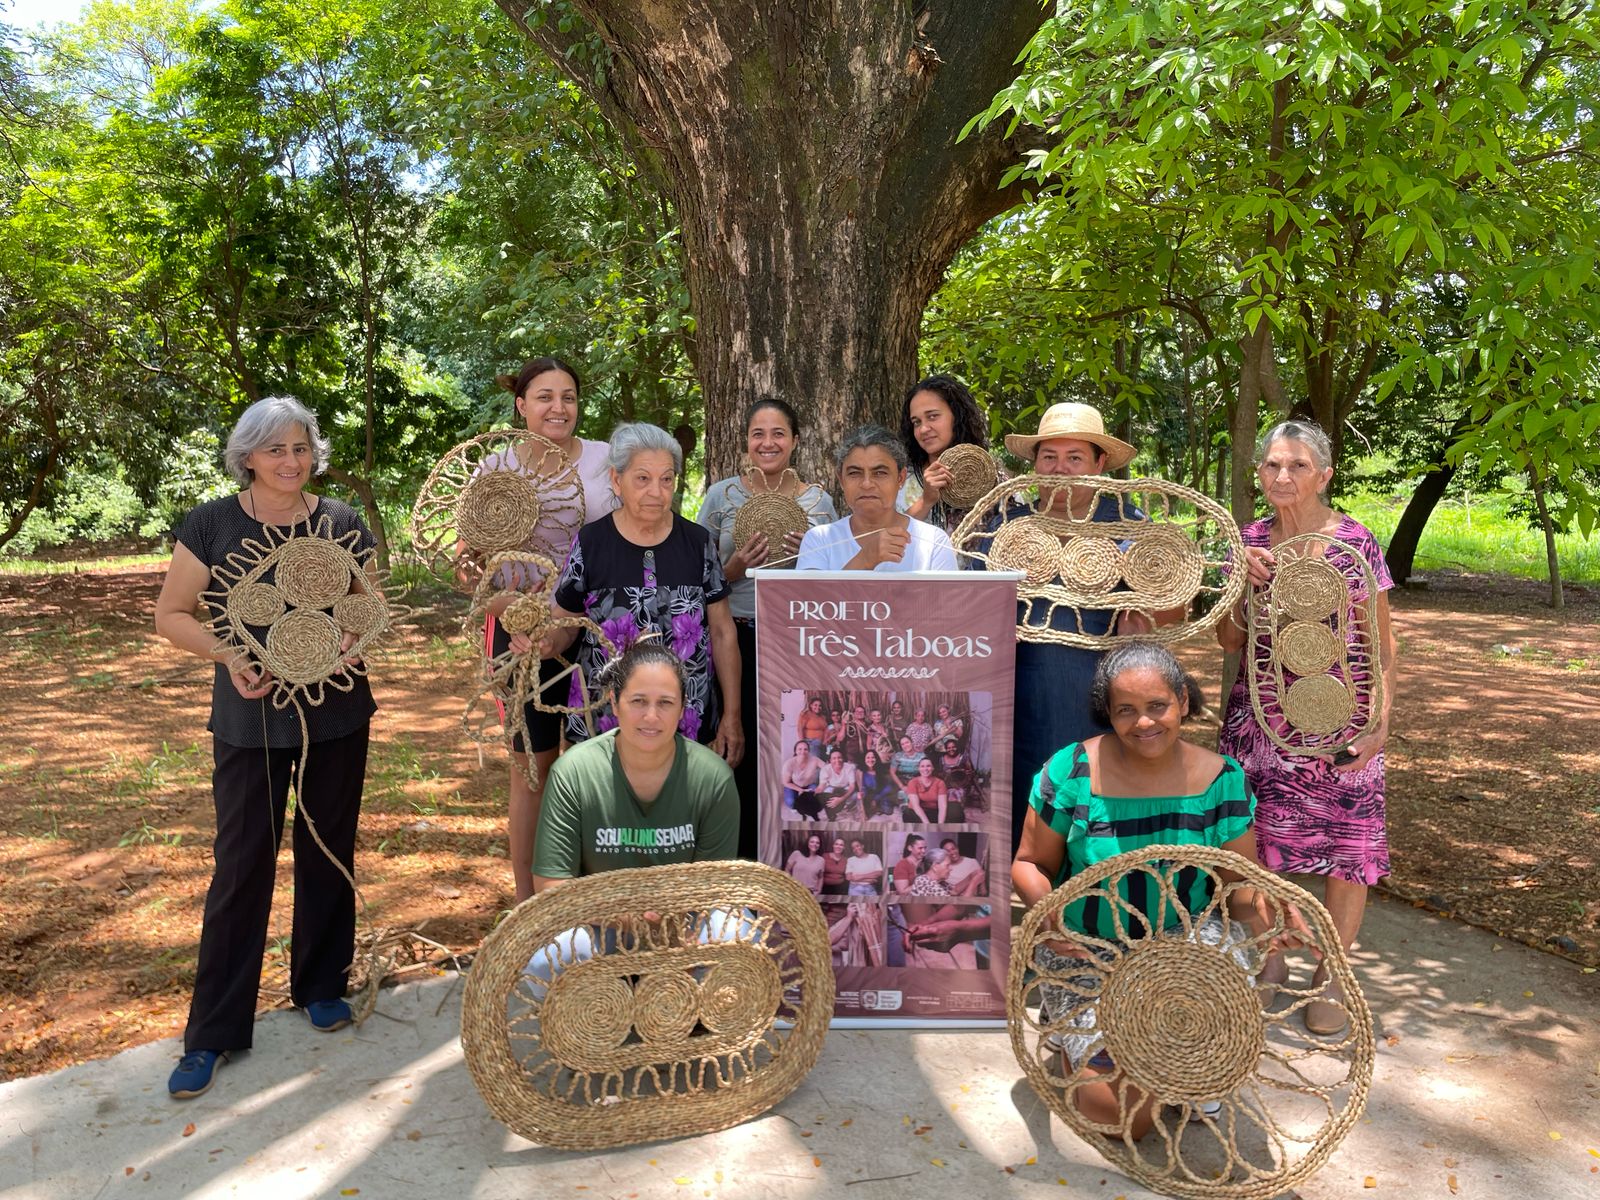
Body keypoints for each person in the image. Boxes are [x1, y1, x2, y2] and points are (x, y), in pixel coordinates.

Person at [154, 396, 376, 1100]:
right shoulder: (212, 524)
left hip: (337, 717)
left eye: (301, 447)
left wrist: (345, 644)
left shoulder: (341, 523)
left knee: (328, 851)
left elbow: (366, 607)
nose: (291, 460)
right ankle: (213, 1033)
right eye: (275, 449)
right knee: (242, 866)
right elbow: (170, 614)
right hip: (248, 724)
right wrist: (229, 655)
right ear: (247, 455)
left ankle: (321, 986)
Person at [1012, 643, 1307, 1137]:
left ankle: (1180, 1057)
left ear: (1184, 703)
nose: (1144, 722)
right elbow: (1028, 865)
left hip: (1185, 950)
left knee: (1212, 1012)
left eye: (1157, 706)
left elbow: (1236, 890)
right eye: (1125, 710)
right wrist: (1047, 915)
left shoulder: (1222, 780)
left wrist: (1270, 913)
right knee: (1124, 1118)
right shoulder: (1071, 771)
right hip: (1091, 954)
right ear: (1107, 713)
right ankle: (1091, 1044)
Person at [1216, 419, 1398, 1036]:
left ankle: (1330, 974)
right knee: (1255, 846)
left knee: (1349, 850)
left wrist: (1379, 724)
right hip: (1260, 719)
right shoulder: (1248, 542)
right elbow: (1229, 640)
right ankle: (1270, 960)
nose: (1282, 476)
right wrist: (1243, 582)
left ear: (1324, 474)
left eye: (1296, 466)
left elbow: (1382, 643)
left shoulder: (1357, 543)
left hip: (1344, 720)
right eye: (1271, 465)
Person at [989, 402, 1166, 854]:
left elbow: (1170, 609)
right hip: (1016, 700)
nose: (1061, 469)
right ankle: (1035, 910)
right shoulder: (1007, 524)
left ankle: (1087, 909)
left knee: (1092, 814)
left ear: (1099, 463)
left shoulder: (1130, 526)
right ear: (1034, 463)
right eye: (1049, 456)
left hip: (1096, 699)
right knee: (1022, 815)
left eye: (1075, 458)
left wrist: (1142, 613)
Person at [524, 644, 743, 1004]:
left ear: (682, 707)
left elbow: (714, 887)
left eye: (665, 703)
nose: (651, 717)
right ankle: (600, 1017)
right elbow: (551, 883)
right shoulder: (575, 772)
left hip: (682, 926)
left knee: (738, 933)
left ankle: (688, 1013)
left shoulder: (712, 777)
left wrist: (675, 927)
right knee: (547, 960)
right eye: (638, 701)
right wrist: (618, 914)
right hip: (601, 927)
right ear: (614, 702)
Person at [479, 357, 614, 903]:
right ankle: (529, 907)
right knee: (531, 766)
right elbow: (474, 568)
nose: (558, 408)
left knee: (603, 760)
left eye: (568, 397)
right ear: (521, 405)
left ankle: (600, 896)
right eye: (544, 397)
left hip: (601, 628)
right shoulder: (494, 469)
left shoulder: (609, 461)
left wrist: (566, 618)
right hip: (517, 632)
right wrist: (520, 613)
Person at [540, 424, 742, 766]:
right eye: (643, 479)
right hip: (604, 719)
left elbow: (722, 632)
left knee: (681, 814)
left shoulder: (697, 543)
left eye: (667, 479)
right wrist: (547, 643)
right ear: (617, 481)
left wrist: (732, 716)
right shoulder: (592, 543)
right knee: (605, 814)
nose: (656, 492)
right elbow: (566, 625)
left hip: (686, 719)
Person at [699, 398, 837, 855]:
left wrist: (810, 562)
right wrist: (733, 568)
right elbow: (696, 577)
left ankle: (787, 862)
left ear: (796, 441)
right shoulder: (721, 497)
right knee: (734, 750)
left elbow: (838, 584)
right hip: (734, 639)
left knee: (789, 755)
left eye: (778, 433)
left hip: (798, 644)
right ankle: (734, 863)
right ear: (746, 442)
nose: (768, 442)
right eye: (758, 433)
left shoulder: (821, 504)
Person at [796, 425, 957, 572]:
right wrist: (867, 558)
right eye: (854, 473)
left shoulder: (932, 542)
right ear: (841, 480)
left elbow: (944, 603)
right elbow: (811, 602)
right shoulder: (819, 541)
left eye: (880, 473)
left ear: (900, 479)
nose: (867, 484)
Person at [899, 374, 994, 535]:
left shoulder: (992, 478)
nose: (923, 429)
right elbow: (883, 541)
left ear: (957, 416)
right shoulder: (900, 481)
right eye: (917, 422)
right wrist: (925, 502)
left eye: (932, 416)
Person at [781, 739, 822, 819]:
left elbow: (827, 769)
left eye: (805, 749)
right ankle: (796, 806)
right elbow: (785, 782)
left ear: (809, 751)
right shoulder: (788, 763)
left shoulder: (814, 759)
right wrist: (800, 790)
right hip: (792, 784)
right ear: (795, 751)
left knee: (817, 798)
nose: (803, 751)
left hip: (809, 784)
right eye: (800, 749)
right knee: (791, 802)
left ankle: (808, 808)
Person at [815, 748, 860, 821]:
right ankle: (833, 810)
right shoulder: (825, 769)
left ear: (843, 758)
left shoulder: (849, 768)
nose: (837, 760)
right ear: (830, 760)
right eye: (834, 758)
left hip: (845, 788)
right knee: (822, 797)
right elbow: (822, 786)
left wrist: (841, 799)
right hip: (832, 788)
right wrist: (815, 794)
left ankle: (844, 806)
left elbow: (852, 786)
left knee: (855, 796)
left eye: (839, 758)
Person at [901, 756, 949, 824]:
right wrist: (927, 824)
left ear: (933, 768)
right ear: (919, 768)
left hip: (932, 811)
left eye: (928, 766)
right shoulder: (913, 782)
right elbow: (916, 806)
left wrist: (940, 825)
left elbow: (942, 806)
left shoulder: (940, 783)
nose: (925, 769)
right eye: (922, 766)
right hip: (915, 812)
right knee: (908, 815)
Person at [860, 749, 897, 820]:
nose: (870, 760)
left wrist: (875, 799)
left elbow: (888, 787)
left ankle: (879, 806)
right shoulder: (862, 773)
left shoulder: (882, 770)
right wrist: (863, 795)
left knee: (888, 810)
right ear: (864, 760)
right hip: (869, 795)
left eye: (873, 757)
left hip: (881, 794)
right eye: (868, 757)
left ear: (876, 759)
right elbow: (863, 787)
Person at [785, 832, 826, 896]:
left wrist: (818, 891)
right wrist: (790, 886)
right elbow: (787, 869)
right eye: (812, 842)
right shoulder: (797, 854)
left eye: (817, 843)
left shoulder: (821, 860)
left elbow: (821, 877)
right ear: (807, 843)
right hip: (795, 891)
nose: (815, 844)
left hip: (810, 894)